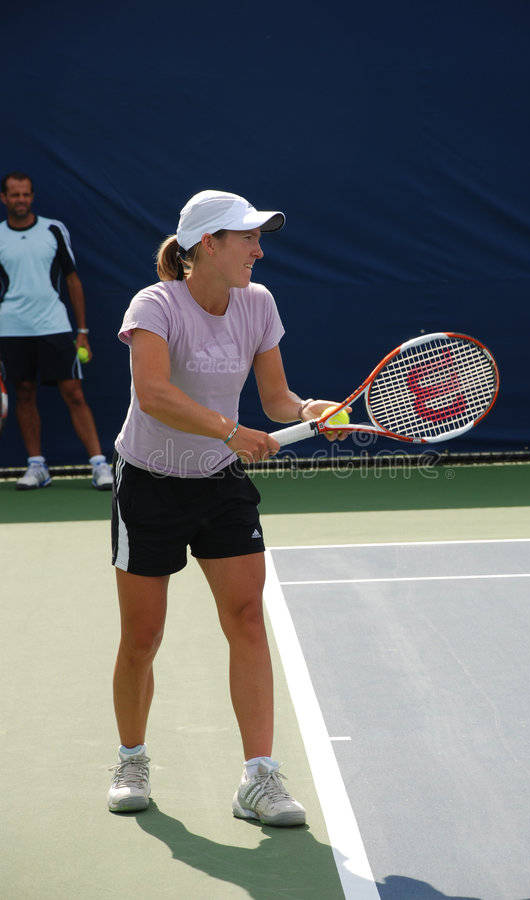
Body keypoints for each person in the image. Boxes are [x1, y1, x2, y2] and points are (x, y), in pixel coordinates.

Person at [107, 189, 347, 825]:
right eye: (247, 239)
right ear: (206, 245)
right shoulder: (155, 305)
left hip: (219, 484)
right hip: (150, 484)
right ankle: (132, 757)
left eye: (259, 238)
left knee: (246, 618)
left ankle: (258, 779)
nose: (259, 250)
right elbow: (153, 394)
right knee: (142, 636)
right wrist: (227, 430)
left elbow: (274, 398)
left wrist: (308, 411)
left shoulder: (257, 303)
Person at [0, 172, 113, 490]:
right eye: (14, 195)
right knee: (23, 393)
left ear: (31, 197)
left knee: (74, 393)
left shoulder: (53, 229)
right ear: (4, 199)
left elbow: (72, 279)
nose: (20, 200)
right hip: (11, 329)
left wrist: (83, 331)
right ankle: (37, 467)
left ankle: (98, 465)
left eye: (25, 194)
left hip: (54, 325)